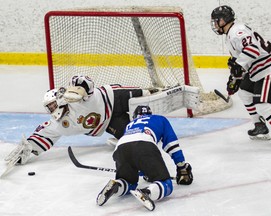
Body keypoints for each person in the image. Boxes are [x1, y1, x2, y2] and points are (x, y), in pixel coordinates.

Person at [4, 75, 157, 165]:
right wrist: (27, 150)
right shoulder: (59, 124)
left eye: (53, 105)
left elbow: (85, 82)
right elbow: (43, 134)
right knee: (135, 137)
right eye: (48, 108)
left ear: (60, 99)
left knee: (149, 96)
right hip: (108, 123)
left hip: (112, 98)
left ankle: (160, 91)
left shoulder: (76, 98)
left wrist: (77, 85)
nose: (52, 109)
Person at [210, 5, 271, 153]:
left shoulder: (237, 33)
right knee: (244, 92)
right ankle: (260, 126)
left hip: (267, 67)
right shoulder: (231, 34)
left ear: (224, 20)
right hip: (257, 68)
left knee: (262, 105)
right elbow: (240, 61)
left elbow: (253, 49)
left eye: (216, 21)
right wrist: (235, 79)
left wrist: (238, 66)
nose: (214, 24)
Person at [96, 105, 193, 211]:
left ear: (135, 116)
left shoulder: (130, 125)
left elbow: (135, 158)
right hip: (144, 145)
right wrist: (181, 166)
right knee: (166, 184)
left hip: (120, 148)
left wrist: (145, 171)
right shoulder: (159, 119)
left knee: (129, 183)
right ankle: (147, 192)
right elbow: (171, 144)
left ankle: (116, 186)